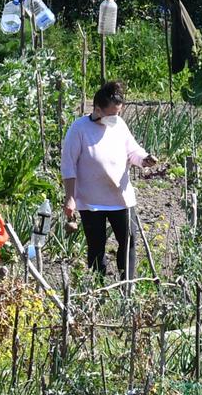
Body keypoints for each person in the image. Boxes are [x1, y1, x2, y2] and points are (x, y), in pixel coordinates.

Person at [60, 81, 156, 280]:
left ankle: (127, 286)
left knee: (128, 241)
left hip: (120, 198)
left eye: (119, 113)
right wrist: (70, 198)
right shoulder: (79, 129)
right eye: (113, 113)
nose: (117, 118)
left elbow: (133, 151)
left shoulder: (119, 125)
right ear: (97, 109)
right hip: (91, 201)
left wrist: (144, 159)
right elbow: (69, 165)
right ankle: (99, 288)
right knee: (97, 247)